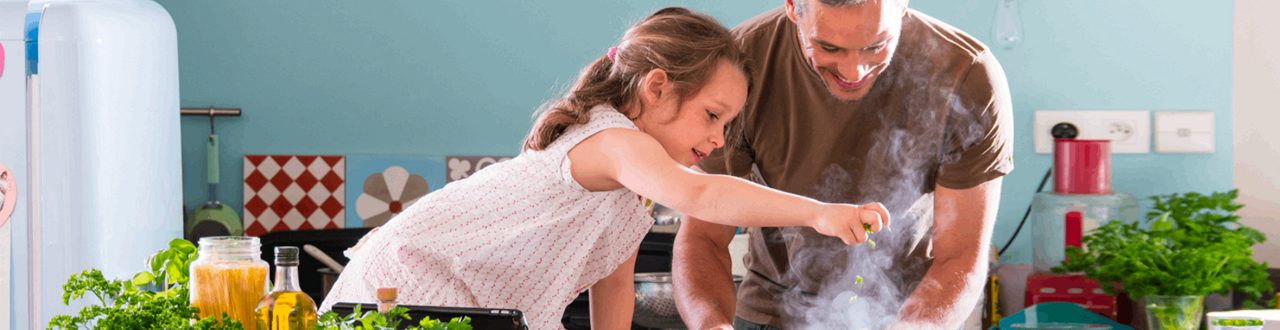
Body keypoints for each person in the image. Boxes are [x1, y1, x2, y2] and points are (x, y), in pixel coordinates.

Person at [318, 7, 890, 330]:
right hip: (415, 282)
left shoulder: (628, 193)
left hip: (463, 303)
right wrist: (819, 214)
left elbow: (612, 292)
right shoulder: (612, 140)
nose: (718, 138)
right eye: (712, 116)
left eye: (728, 126)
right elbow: (703, 198)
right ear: (658, 87)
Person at [672, 0, 1013, 328]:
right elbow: (704, 237)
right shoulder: (737, 68)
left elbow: (961, 256)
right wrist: (711, 326)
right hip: (772, 315)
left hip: (908, 313)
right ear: (793, 7)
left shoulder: (967, 75)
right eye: (829, 48)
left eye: (876, 46)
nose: (855, 71)